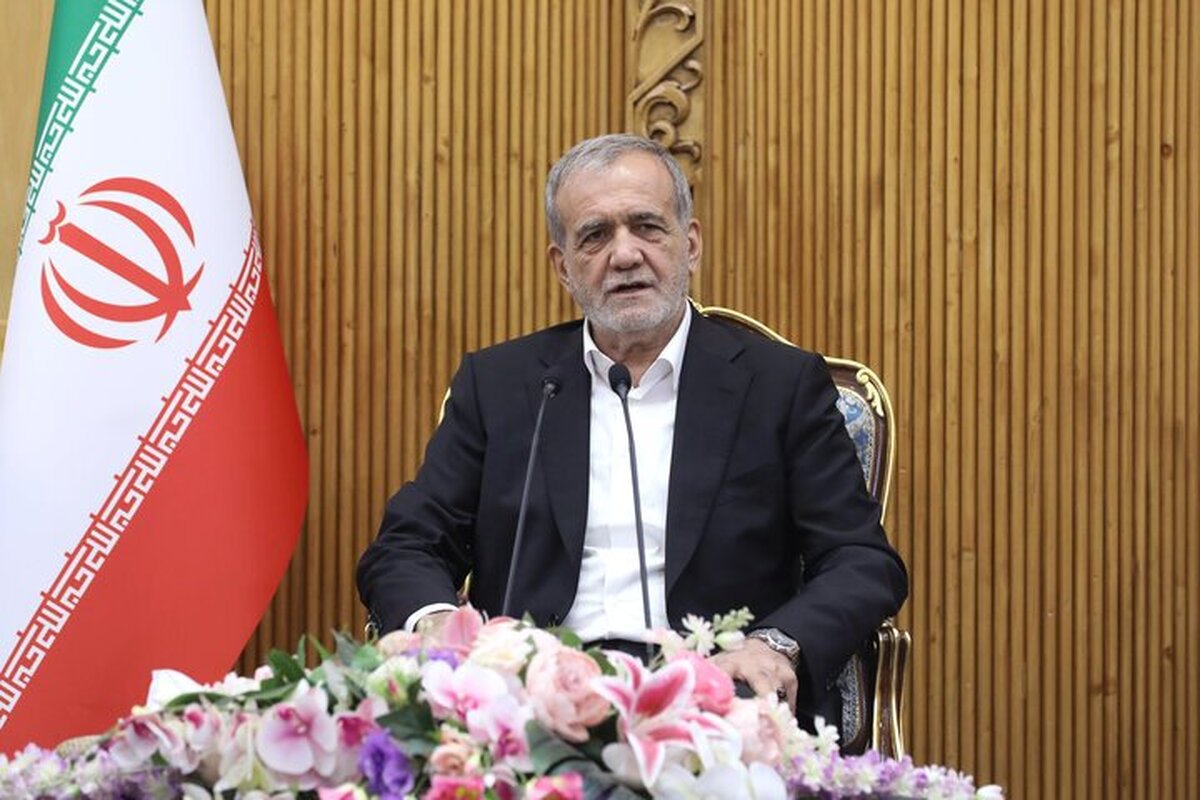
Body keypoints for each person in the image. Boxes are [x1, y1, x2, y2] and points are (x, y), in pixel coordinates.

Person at [357, 133, 907, 726]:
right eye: (595, 236)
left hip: (714, 699)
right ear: (563, 266)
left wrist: (774, 646)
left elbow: (859, 559)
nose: (624, 255)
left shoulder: (780, 386)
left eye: (647, 227)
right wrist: (438, 624)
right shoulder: (501, 385)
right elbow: (408, 542)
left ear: (690, 244)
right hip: (532, 698)